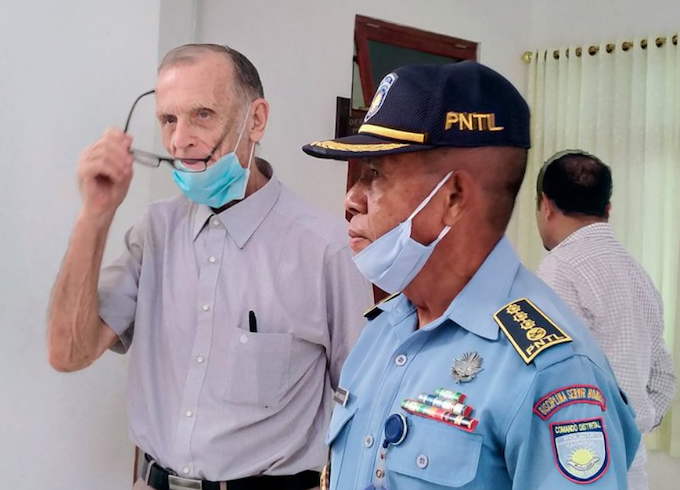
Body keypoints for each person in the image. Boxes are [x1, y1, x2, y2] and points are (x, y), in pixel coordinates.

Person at [301, 61, 641, 489]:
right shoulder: (385, 328)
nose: (352, 198)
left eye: (375, 174)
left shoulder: (549, 370)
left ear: (453, 197)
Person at [47, 44, 373, 490]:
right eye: (168, 120)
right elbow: (68, 351)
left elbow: (365, 405)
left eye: (202, 114)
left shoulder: (326, 250)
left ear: (255, 120)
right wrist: (96, 213)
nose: (181, 140)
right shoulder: (154, 232)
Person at [535, 150, 677, 490]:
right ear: (608, 210)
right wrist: (633, 422)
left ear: (546, 205)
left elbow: (548, 377)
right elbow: (663, 378)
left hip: (573, 460)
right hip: (631, 461)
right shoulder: (639, 275)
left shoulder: (557, 271)